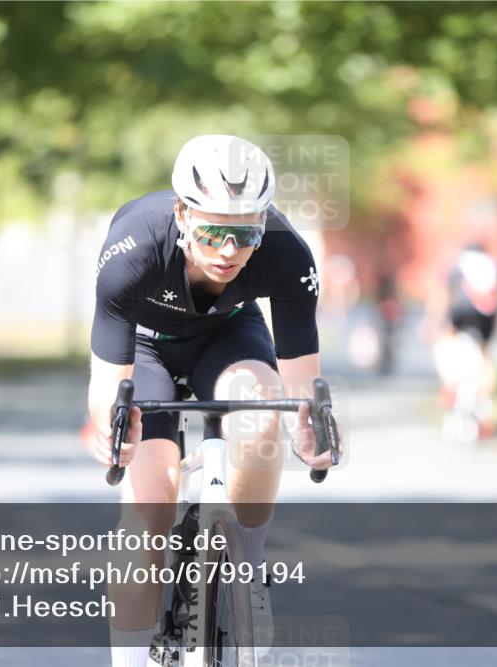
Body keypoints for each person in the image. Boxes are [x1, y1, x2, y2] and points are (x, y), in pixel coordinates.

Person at [86, 135, 340, 667]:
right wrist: (113, 434)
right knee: (149, 503)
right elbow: (107, 386)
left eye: (246, 233)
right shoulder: (133, 248)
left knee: (260, 416)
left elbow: (303, 389)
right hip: (146, 349)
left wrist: (313, 430)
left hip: (228, 336)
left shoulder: (286, 253)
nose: (230, 250)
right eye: (214, 231)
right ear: (182, 215)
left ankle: (246, 575)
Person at [428, 243, 497, 436]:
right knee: (485, 355)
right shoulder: (491, 265)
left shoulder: (458, 266)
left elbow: (444, 295)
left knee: (442, 342)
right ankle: (485, 407)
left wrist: (435, 323)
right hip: (487, 316)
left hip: (462, 311)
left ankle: (449, 386)